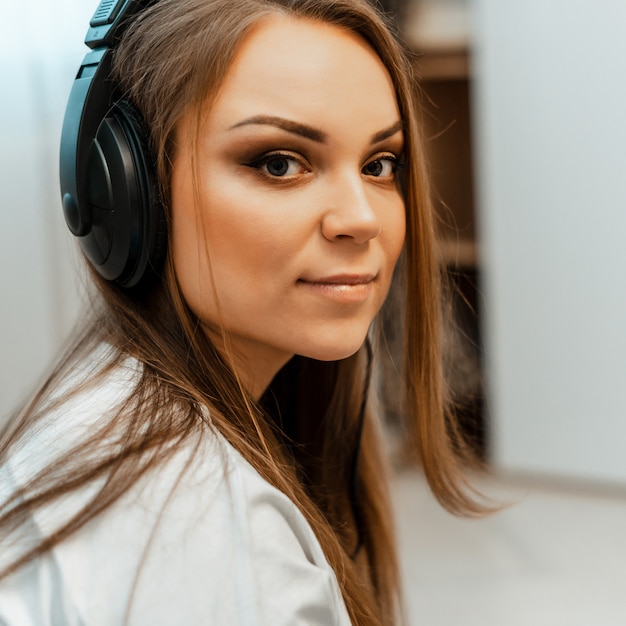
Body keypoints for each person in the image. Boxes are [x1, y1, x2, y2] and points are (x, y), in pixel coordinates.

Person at [0, 0, 485, 623]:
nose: (362, 218)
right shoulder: (205, 531)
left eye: (378, 164)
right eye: (279, 163)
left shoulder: (108, 409)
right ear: (126, 192)